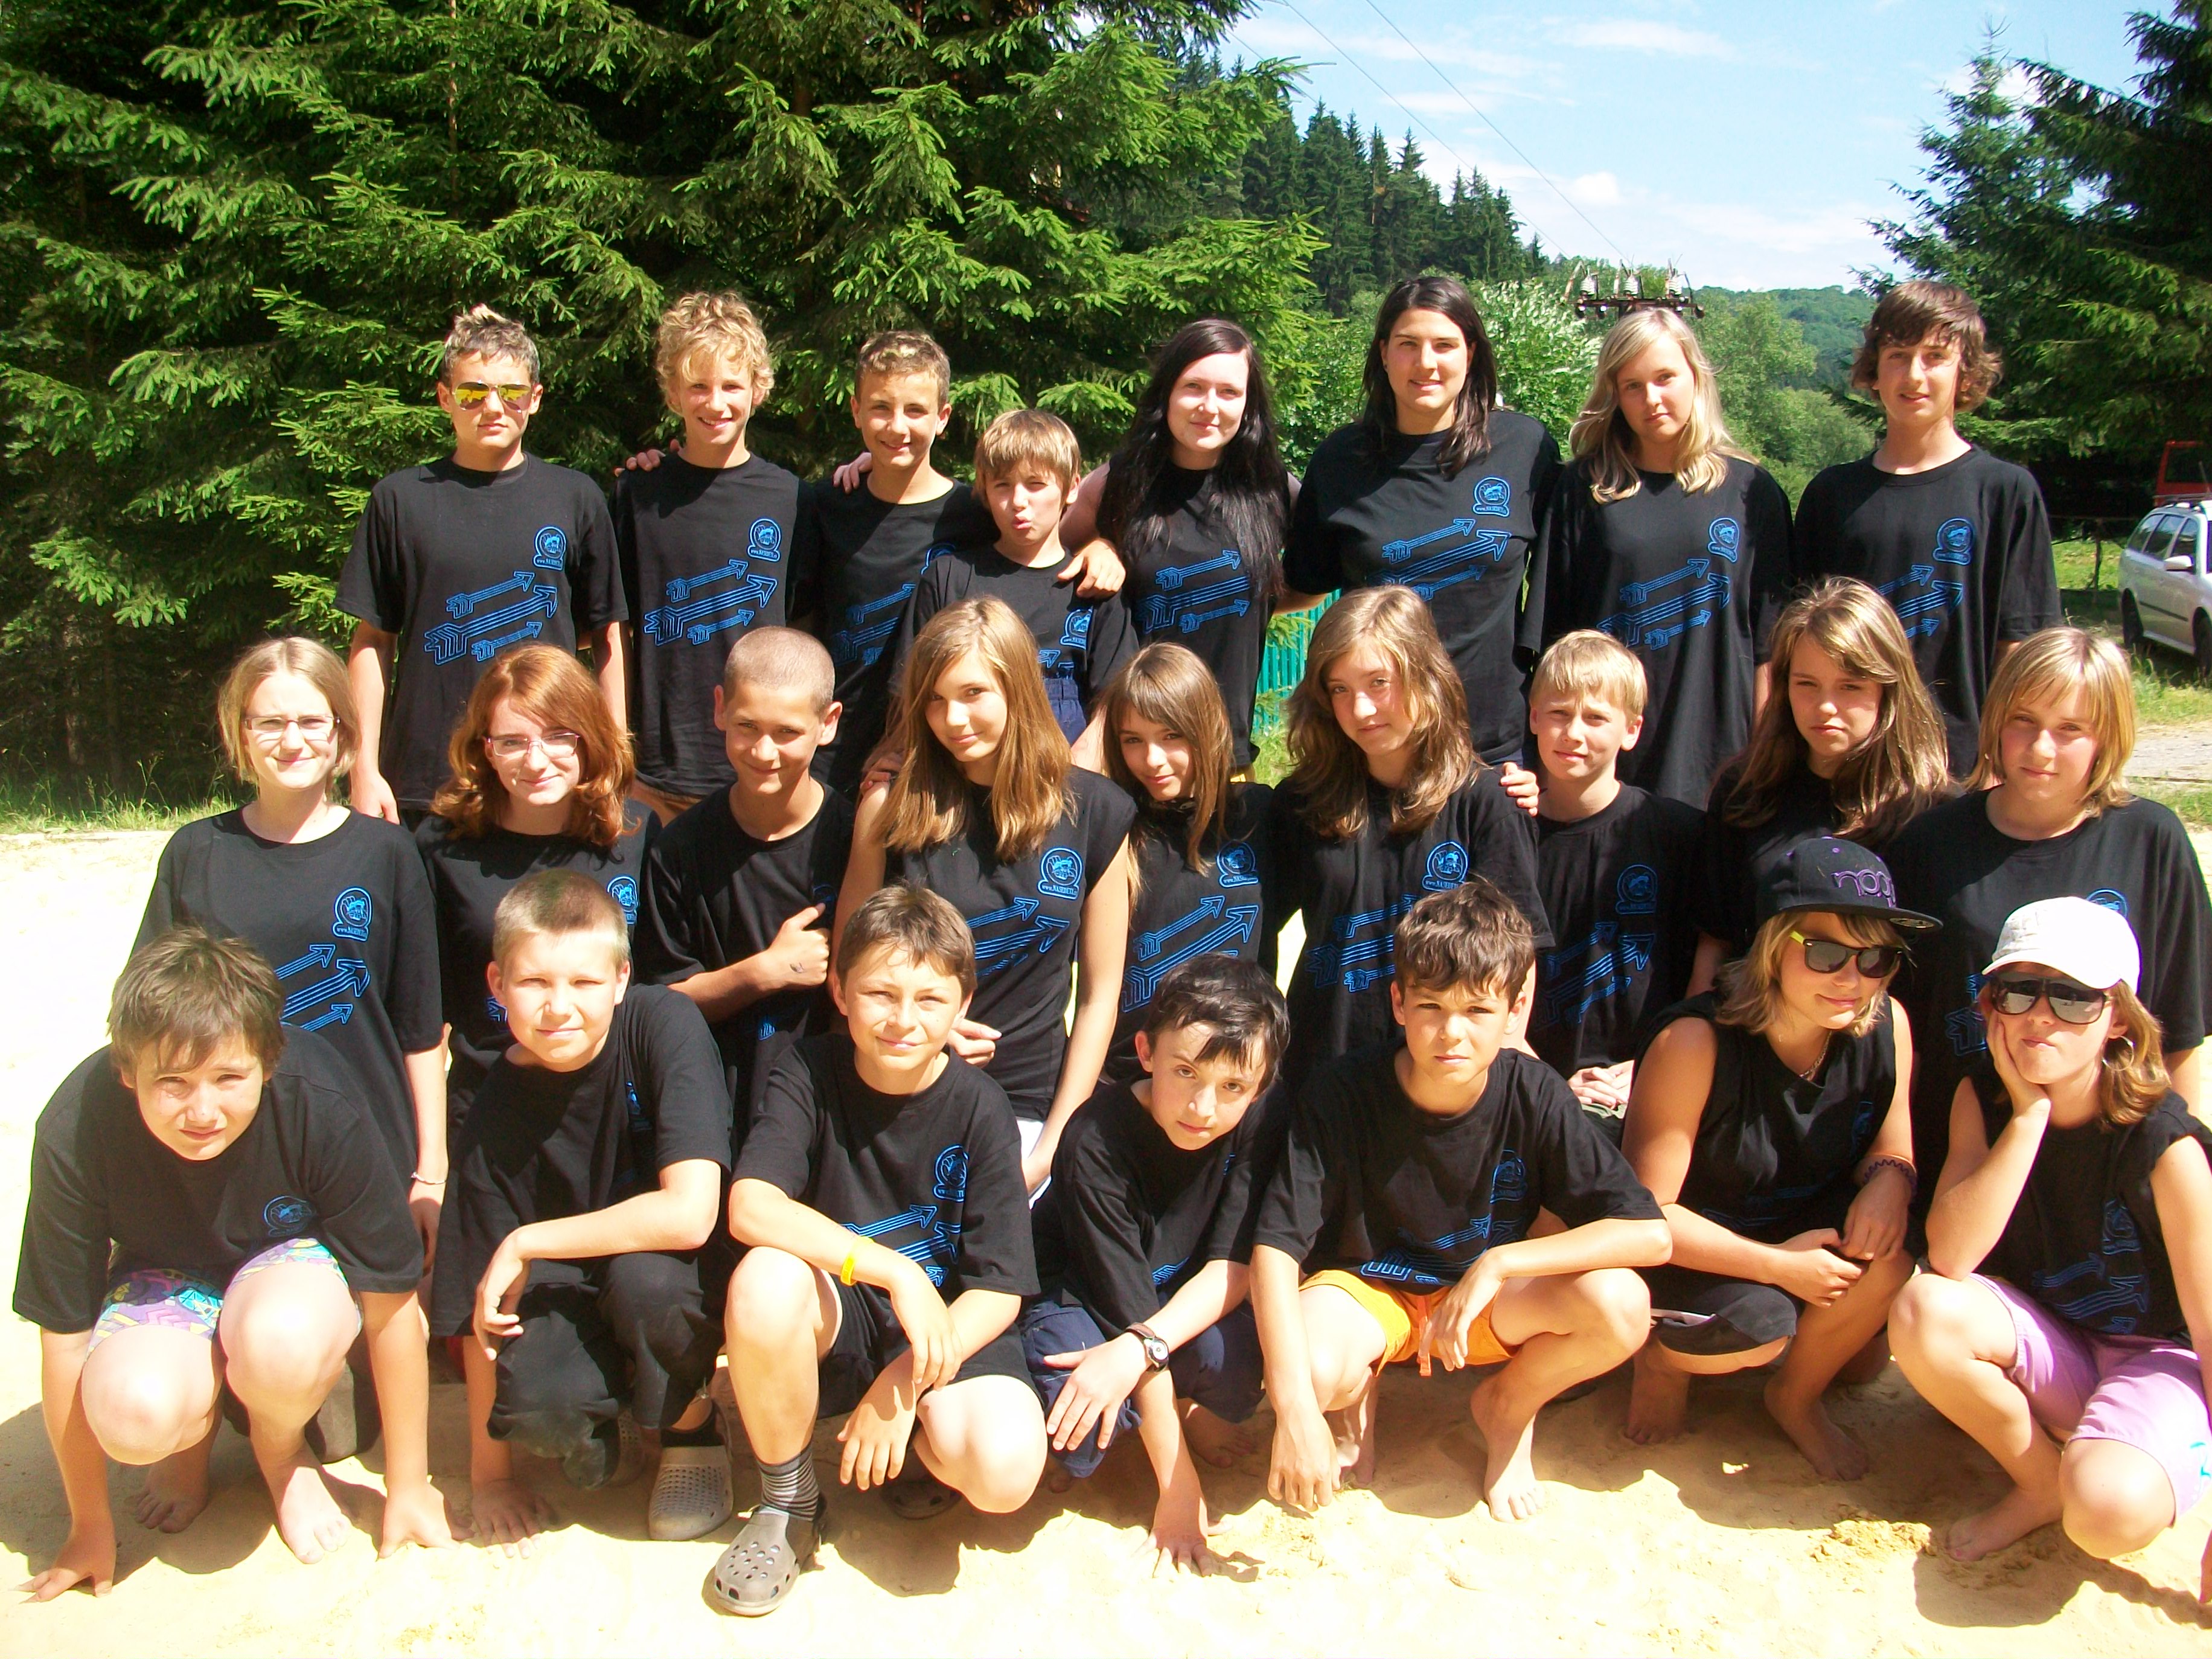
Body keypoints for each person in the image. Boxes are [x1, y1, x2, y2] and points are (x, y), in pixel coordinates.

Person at [17, 929, 453, 1597]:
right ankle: (189, 1442)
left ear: (268, 1062)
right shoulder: (76, 1126)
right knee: (133, 1416)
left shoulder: (320, 1102)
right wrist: (88, 1525)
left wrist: (410, 1485)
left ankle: (279, 1452)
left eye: (228, 1078)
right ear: (127, 1070)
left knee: (280, 1342)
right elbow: (65, 1335)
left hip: (287, 1269)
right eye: (172, 1083)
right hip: (163, 1273)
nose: (203, 1111)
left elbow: (391, 1306)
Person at [1248, 881, 1669, 1521]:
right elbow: (1276, 1248)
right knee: (1304, 1369)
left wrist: (1499, 1264)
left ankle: (1507, 1408)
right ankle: (1354, 1401)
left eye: (1477, 1010)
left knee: (1621, 1305)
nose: (1452, 1033)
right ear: (1397, 1002)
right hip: (1369, 1291)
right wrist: (1295, 1411)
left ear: (1515, 1009)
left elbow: (1650, 1235)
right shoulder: (1341, 1090)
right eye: (1430, 1005)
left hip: (1486, 1300)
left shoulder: (1536, 1093)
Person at [711, 885, 1046, 1617]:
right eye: (879, 993)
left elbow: (999, 1288)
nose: (902, 1020)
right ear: (839, 992)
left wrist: (904, 1387)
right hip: (845, 1308)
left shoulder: (981, 1105)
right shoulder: (806, 1071)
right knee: (764, 1280)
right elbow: (750, 1205)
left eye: (930, 999)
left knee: (1004, 1473)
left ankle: (915, 1448)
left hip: (941, 1330)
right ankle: (789, 1504)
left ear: (962, 1006)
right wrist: (893, 1271)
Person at [1890, 898, 2212, 1588]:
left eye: (2072, 997)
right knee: (1924, 1307)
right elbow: (1951, 1257)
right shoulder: (1984, 1098)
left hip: (2155, 1356)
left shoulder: (2166, 1144)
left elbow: (2210, 1327)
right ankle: (2040, 1483)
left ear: (2117, 1018)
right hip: (2054, 1338)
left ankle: (2113, 1451)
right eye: (2018, 991)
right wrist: (2029, 1116)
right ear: (1990, 1006)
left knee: (2106, 1516)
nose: (2040, 1015)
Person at [431, 872, 733, 1551]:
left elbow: (690, 1214)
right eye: (534, 982)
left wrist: (528, 1240)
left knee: (646, 1284)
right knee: (543, 1414)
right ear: (497, 984)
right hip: (566, 1287)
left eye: (584, 982)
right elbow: (479, 1309)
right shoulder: (492, 1106)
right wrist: (489, 1480)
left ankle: (691, 1430)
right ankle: (617, 1411)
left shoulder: (662, 1024)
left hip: (668, 1268)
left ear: (621, 980)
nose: (558, 1007)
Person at [1622, 836, 1925, 1479]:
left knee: (1881, 1305)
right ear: (1771, 947)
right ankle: (1664, 1361)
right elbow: (1647, 1216)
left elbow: (1891, 1145)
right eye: (1826, 954)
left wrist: (1890, 1182)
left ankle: (1794, 1398)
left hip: (1803, 1230)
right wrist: (1777, 1266)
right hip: (1695, 1247)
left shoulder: (1887, 1023)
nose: (1853, 980)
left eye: (1876, 957)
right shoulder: (1694, 1042)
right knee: (1758, 1331)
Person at [138, 638, 445, 1254]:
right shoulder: (195, 853)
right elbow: (150, 1019)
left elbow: (420, 1028)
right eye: (271, 723)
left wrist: (431, 1169)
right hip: (228, 1139)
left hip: (366, 1141)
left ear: (341, 732)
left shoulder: (388, 853)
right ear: (242, 734)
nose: (292, 740)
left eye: (311, 721)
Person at [1887, 628, 2212, 1204]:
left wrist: (2186, 1168)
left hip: (2107, 1169)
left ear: (2107, 736)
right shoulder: (1929, 843)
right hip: (1963, 1153)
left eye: (2070, 729)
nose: (2041, 749)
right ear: (1995, 722)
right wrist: (1896, 1167)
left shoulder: (2151, 841)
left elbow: (2182, 1033)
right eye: (2024, 721)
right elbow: (1895, 1029)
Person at [840, 598, 1135, 1192]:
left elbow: (1100, 996)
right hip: (902, 1096)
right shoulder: (889, 809)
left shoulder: (1096, 812)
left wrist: (1053, 1146)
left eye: (973, 693)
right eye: (934, 699)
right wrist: (927, 1028)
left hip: (1028, 1113)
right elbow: (845, 972)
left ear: (1017, 688)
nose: (952, 719)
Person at [1021, 956, 1290, 1571]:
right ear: (1145, 1051)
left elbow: (1233, 1267)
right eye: (1185, 1072)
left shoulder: (1262, 1119)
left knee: (1234, 1360)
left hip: (1165, 1303)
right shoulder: (1095, 1139)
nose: (1203, 1107)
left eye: (1233, 1087)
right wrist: (1180, 1489)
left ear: (1262, 1083)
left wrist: (1141, 1349)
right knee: (1077, 1420)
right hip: (1081, 1293)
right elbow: (1127, 1306)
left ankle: (1181, 1411)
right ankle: (1131, 1434)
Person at [339, 305, 625, 824]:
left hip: (545, 773)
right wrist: (363, 770)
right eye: (473, 392)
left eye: (511, 391)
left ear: (535, 398)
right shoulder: (399, 500)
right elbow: (373, 641)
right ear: (444, 397)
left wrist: (612, 760)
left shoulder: (576, 498)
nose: (493, 406)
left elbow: (606, 636)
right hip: (424, 779)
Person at [1267, 586, 1550, 1083]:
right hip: (1322, 1077)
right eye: (1339, 689)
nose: (1360, 709)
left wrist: (1500, 1071)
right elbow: (1248, 925)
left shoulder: (1486, 802)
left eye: (1379, 682)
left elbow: (1517, 957)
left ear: (1425, 675)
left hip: (1441, 1082)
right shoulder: (1302, 802)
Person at [1283, 273, 1564, 766]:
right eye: (1408, 344)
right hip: (1376, 748)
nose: (1426, 363)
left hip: (1495, 746)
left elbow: (1567, 580)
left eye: (1444, 345)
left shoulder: (1524, 448)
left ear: (1470, 353)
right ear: (1384, 353)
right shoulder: (1340, 462)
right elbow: (1302, 585)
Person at [1522, 306, 1793, 808]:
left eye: (1665, 378)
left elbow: (1771, 649)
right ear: (1614, 394)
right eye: (1633, 386)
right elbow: (1553, 640)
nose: (1652, 398)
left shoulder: (1751, 492)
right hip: (1603, 765)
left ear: (1696, 377)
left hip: (1720, 760)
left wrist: (1768, 760)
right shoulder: (1584, 489)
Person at [1793, 280, 2061, 775]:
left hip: (1961, 765)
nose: (1914, 374)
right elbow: (1801, 645)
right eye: (1898, 355)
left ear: (1965, 371)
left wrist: (1998, 764)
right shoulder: (1831, 495)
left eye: (1935, 357)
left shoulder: (2005, 492)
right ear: (1875, 371)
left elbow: (2023, 647)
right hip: (1848, 763)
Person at [417, 644, 656, 1124]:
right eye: (512, 742)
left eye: (558, 737)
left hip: (612, 1105)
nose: (536, 761)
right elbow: (422, 1014)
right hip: (487, 1103)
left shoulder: (636, 834)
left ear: (589, 738)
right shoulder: (442, 846)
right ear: (485, 749)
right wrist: (432, 1152)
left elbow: (657, 986)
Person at [1059, 318, 1299, 770]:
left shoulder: (1273, 490)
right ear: (1167, 392)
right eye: (1194, 387)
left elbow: (1314, 583)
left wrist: (1242, 597)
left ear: (1248, 404)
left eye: (1229, 392)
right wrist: (1096, 546)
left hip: (1225, 762)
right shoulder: (1118, 483)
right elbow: (1041, 561)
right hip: (1132, 758)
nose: (1210, 407)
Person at [1689, 577, 1952, 987]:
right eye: (1807, 684)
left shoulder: (1931, 810)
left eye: (1850, 687)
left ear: (1888, 689)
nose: (1826, 706)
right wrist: (1694, 1018)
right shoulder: (1745, 792)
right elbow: (1715, 945)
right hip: (1754, 1013)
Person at [635, 627, 854, 1116]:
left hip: (826, 1109)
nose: (763, 751)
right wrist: (764, 972)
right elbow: (659, 1003)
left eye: (787, 733)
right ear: (720, 708)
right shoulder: (679, 849)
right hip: (710, 1104)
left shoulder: (857, 843)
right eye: (747, 726)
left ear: (829, 723)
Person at [616, 292, 818, 823]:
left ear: (758, 389)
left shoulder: (792, 500)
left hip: (762, 770)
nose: (716, 403)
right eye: (698, 387)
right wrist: (616, 748)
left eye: (731, 386)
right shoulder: (637, 495)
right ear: (673, 394)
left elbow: (806, 631)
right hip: (653, 774)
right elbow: (612, 629)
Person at [891, 408, 1139, 762]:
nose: (1019, 502)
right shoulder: (948, 578)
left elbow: (1115, 703)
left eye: (1036, 485)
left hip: (1068, 767)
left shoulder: (1094, 586)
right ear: (985, 491)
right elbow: (910, 691)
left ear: (1071, 488)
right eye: (1002, 486)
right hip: (963, 770)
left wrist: (1076, 774)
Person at [808, 330, 997, 794]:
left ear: (942, 417)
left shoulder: (976, 516)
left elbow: (1046, 550)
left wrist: (1101, 545)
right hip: (833, 749)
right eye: (881, 408)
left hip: (943, 752)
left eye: (915, 410)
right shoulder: (824, 506)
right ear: (856, 411)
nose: (897, 427)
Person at [1524, 631, 1703, 1113]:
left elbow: (1711, 963)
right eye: (1559, 713)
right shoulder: (1507, 832)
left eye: (1596, 718)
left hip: (1651, 1082)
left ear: (1632, 729)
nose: (1573, 733)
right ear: (1534, 717)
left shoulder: (1679, 833)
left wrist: (1660, 1061)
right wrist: (1543, 1081)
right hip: (1532, 1084)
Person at [1099, 642, 1275, 1088]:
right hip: (1130, 1080)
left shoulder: (1262, 818)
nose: (1152, 760)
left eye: (1171, 736)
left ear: (1207, 727)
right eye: (1133, 740)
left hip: (1236, 1081)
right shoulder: (1110, 827)